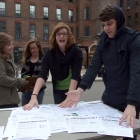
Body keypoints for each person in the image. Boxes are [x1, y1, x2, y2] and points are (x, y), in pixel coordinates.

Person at [59, 5, 140, 140]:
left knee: (128, 135)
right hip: (109, 97)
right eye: (103, 25)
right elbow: (94, 66)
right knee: (105, 135)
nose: (106, 28)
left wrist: (132, 104)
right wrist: (80, 90)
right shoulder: (104, 39)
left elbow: (137, 73)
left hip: (128, 99)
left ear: (119, 21)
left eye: (110, 24)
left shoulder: (134, 39)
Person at [23, 22, 83, 109]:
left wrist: (69, 96)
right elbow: (42, 75)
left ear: (69, 36)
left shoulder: (76, 52)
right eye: (58, 34)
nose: (61, 36)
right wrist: (34, 96)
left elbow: (75, 76)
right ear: (55, 37)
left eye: (64, 34)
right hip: (58, 90)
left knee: (71, 112)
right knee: (60, 113)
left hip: (72, 90)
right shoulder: (49, 53)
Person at [0, 32, 26, 109]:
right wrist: (20, 81)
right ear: (1, 46)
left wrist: (21, 86)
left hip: (10, 98)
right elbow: (2, 78)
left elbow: (10, 77)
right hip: (4, 101)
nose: (12, 46)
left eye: (11, 44)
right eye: (8, 45)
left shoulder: (6, 57)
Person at [21, 38, 46, 106]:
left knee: (36, 108)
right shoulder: (26, 58)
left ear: (38, 48)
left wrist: (36, 82)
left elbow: (45, 74)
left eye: (34, 48)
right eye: (30, 48)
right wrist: (25, 81)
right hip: (27, 88)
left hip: (39, 89)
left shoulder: (44, 59)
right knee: (24, 107)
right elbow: (23, 72)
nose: (32, 50)